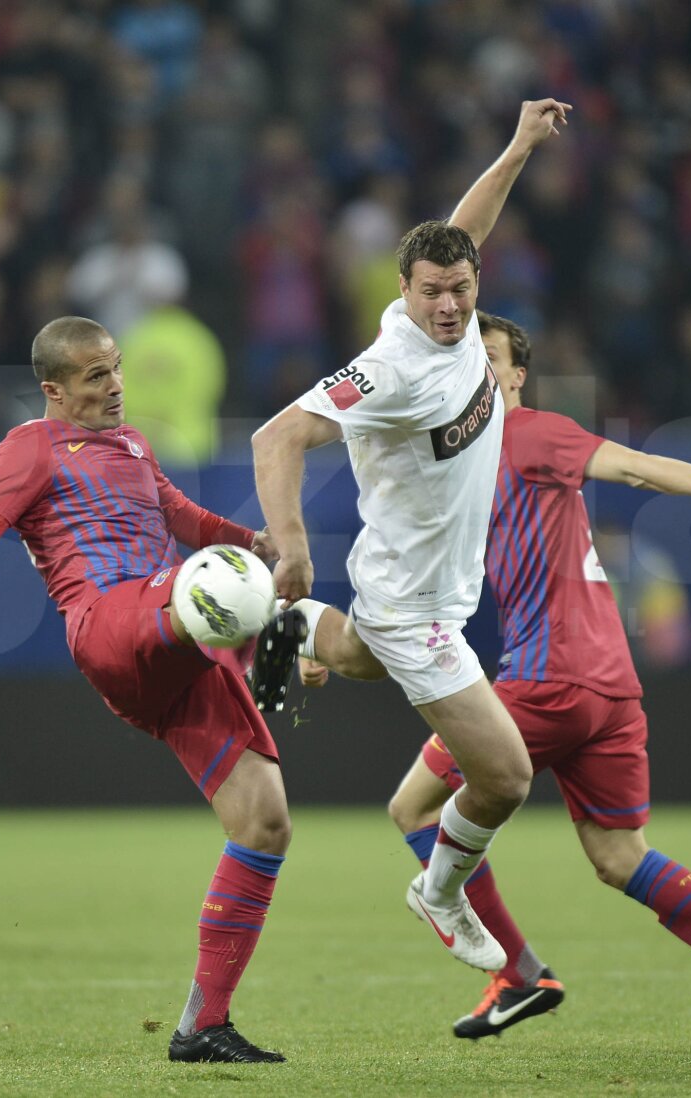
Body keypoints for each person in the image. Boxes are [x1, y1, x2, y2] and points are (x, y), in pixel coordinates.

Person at [324, 311, 691, 1047]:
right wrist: (335, 644)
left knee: (415, 809)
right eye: (461, 354)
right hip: (610, 686)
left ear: (517, 376)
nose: (473, 368)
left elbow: (638, 467)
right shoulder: (458, 461)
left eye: (489, 356)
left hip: (550, 678)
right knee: (619, 857)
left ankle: (517, 973)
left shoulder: (526, 433)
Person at [250, 98, 572, 974]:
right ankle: (437, 891)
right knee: (504, 778)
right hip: (414, 605)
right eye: (430, 291)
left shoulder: (460, 305)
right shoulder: (388, 367)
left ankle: (276, 622)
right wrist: (291, 546)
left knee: (352, 654)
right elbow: (274, 438)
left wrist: (515, 148)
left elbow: (466, 230)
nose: (449, 305)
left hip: (425, 585)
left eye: (462, 289)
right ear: (402, 293)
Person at [0, 315, 290, 1065]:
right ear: (54, 390)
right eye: (96, 376)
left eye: (118, 368)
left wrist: (251, 540)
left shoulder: (133, 445)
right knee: (224, 593)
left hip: (168, 643)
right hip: (110, 622)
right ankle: (286, 644)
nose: (117, 386)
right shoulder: (30, 446)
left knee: (264, 820)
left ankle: (203, 1026)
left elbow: (179, 515)